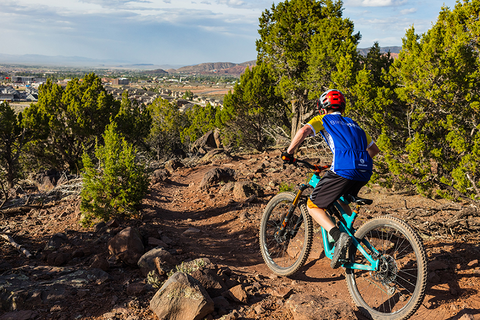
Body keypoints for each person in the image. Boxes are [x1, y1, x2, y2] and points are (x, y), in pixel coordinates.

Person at [281, 89, 380, 269]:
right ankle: (349, 237)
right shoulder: (355, 125)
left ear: (323, 108)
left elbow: (304, 131)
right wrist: (355, 160)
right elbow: (374, 151)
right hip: (365, 170)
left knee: (313, 205)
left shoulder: (324, 119)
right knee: (340, 199)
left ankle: (337, 235)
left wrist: (289, 153)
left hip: (344, 169)